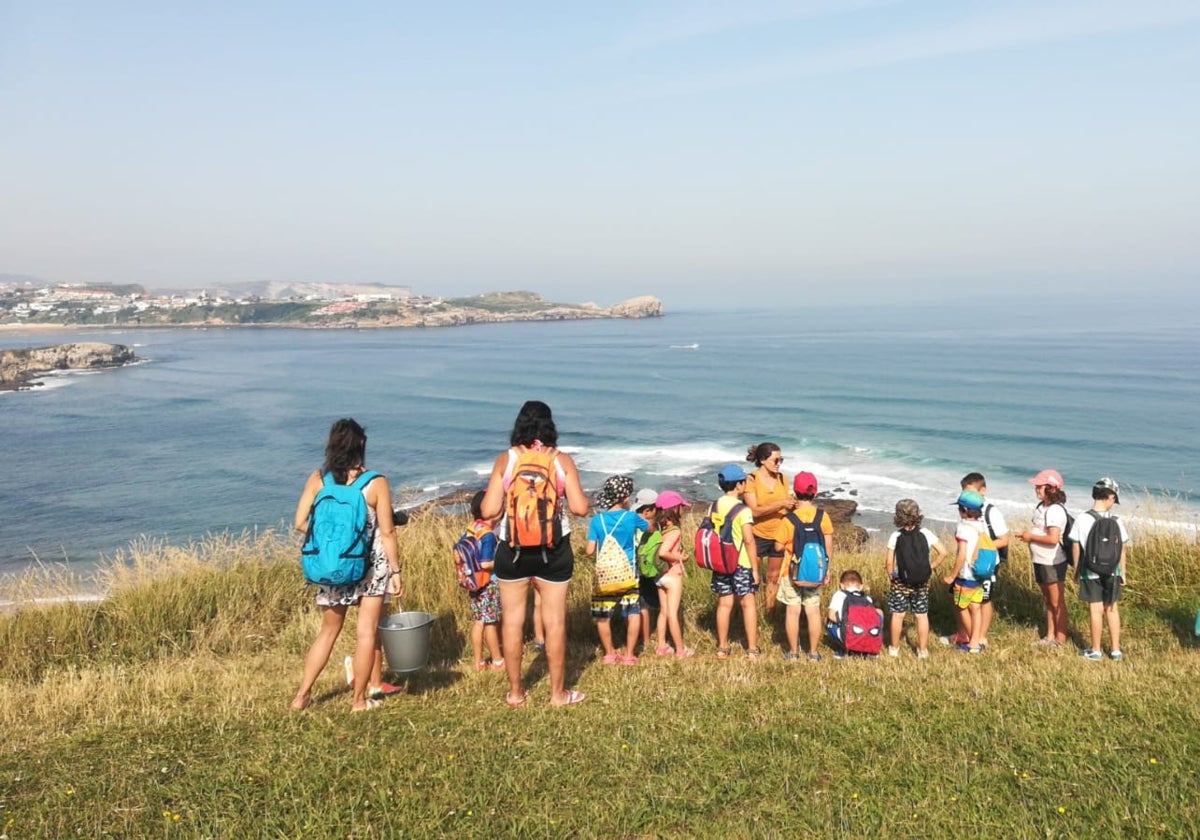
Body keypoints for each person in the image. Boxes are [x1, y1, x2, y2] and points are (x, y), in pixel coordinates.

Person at [480, 400, 590, 707]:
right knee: (554, 622)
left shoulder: (507, 459)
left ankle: (516, 692)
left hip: (511, 551)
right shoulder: (560, 459)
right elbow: (580, 508)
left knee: (513, 622)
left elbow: (488, 510)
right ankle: (558, 694)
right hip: (554, 550)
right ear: (549, 425)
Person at [291, 418, 402, 713]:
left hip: (331, 565)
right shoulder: (376, 482)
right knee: (366, 632)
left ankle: (302, 695)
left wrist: (332, 542)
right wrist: (396, 570)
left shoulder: (318, 479)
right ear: (361, 445)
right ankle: (358, 701)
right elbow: (388, 532)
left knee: (328, 632)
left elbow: (300, 523)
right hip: (370, 563)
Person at [586, 475, 647, 665]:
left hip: (605, 575)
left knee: (603, 616)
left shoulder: (597, 520)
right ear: (624, 498)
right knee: (632, 612)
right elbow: (648, 527)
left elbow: (589, 551)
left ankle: (610, 653)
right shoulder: (630, 517)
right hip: (628, 572)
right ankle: (629, 654)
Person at [774, 472, 833, 662]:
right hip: (816, 571)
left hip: (791, 572)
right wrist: (827, 570)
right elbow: (828, 547)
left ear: (795, 492)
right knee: (813, 610)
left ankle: (793, 653)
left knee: (793, 610)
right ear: (815, 492)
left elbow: (778, 546)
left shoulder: (789, 520)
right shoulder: (823, 517)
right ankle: (814, 653)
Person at [1070, 478, 1130, 661]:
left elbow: (1075, 546)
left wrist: (1076, 570)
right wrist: (1123, 572)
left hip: (1090, 570)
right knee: (1112, 609)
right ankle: (1115, 650)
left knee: (1095, 610)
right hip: (1113, 571)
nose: (1113, 503)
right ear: (1110, 496)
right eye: (1114, 499)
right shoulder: (1116, 521)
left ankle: (1096, 650)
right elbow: (1122, 549)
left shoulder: (1082, 518)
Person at [709, 464, 762, 659]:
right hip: (741, 563)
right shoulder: (743, 510)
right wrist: (755, 569)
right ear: (739, 485)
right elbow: (749, 540)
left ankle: (722, 647)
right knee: (748, 603)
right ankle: (752, 649)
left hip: (720, 561)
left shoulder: (713, 505)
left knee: (724, 603)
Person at [1015, 469, 1071, 647]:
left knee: (1057, 601)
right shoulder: (1041, 508)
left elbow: (1053, 539)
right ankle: (1049, 635)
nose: (1037, 489)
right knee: (1048, 600)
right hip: (1040, 559)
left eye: (1040, 486)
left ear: (1051, 488)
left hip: (1052, 561)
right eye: (1037, 486)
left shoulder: (1055, 511)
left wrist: (1029, 537)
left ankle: (1060, 639)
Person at [884, 499, 947, 659]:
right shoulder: (926, 533)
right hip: (922, 581)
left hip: (900, 582)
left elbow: (889, 562)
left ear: (897, 516)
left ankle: (894, 648)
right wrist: (931, 567)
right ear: (918, 514)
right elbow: (943, 552)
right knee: (921, 615)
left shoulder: (895, 535)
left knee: (898, 615)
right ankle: (922, 650)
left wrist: (892, 576)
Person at [742, 442, 797, 613]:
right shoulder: (751, 480)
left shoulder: (783, 479)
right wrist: (780, 503)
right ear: (763, 460)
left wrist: (792, 505)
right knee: (753, 577)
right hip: (757, 534)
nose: (779, 463)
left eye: (781, 459)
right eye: (776, 460)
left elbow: (786, 506)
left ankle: (770, 613)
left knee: (773, 577)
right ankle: (750, 611)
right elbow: (754, 511)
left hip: (778, 535)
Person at [961, 473, 1009, 649]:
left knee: (984, 600)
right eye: (964, 492)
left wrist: (980, 548)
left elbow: (1004, 539)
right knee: (965, 599)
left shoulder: (991, 511)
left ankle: (981, 636)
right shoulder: (966, 509)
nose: (967, 497)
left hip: (987, 564)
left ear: (983, 490)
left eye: (971, 492)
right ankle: (966, 634)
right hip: (968, 565)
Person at [943, 490, 990, 655]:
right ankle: (976, 642)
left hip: (966, 575)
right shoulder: (981, 525)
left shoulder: (963, 528)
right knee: (976, 607)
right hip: (979, 574)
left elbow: (962, 554)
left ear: (964, 510)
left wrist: (952, 575)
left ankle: (971, 642)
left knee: (962, 606)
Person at [464, 490, 504, 671]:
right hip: (488, 582)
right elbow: (486, 563)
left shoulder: (472, 528)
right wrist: (504, 562)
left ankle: (479, 661)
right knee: (490, 622)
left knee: (479, 621)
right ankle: (497, 660)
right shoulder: (488, 535)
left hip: (473, 582)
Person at [654, 490, 695, 658]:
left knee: (663, 612)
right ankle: (680, 650)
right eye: (680, 507)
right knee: (673, 613)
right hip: (672, 576)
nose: (682, 510)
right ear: (674, 509)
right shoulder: (675, 531)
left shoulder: (660, 530)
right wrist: (680, 557)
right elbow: (664, 552)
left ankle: (662, 646)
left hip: (660, 576)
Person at [825, 570, 884, 658]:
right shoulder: (867, 598)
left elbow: (831, 616)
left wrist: (843, 622)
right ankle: (869, 648)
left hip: (850, 634)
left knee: (827, 621)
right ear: (861, 587)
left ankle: (845, 649)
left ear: (841, 585)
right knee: (879, 612)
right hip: (869, 634)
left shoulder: (839, 594)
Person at [633, 488, 661, 654]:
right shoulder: (645, 523)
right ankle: (647, 638)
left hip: (635, 566)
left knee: (640, 604)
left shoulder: (632, 518)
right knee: (645, 605)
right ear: (648, 510)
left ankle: (642, 638)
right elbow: (650, 530)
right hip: (646, 568)